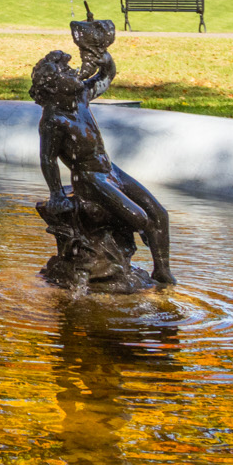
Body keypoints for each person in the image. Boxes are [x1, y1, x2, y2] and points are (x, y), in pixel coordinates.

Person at [31, 45, 173, 285]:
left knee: (159, 214)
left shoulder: (81, 98)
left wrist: (104, 59)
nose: (74, 72)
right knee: (139, 218)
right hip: (89, 178)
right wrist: (56, 194)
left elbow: (106, 77)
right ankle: (111, 251)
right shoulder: (54, 120)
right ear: (54, 86)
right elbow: (47, 159)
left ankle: (162, 272)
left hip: (110, 170)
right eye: (66, 71)